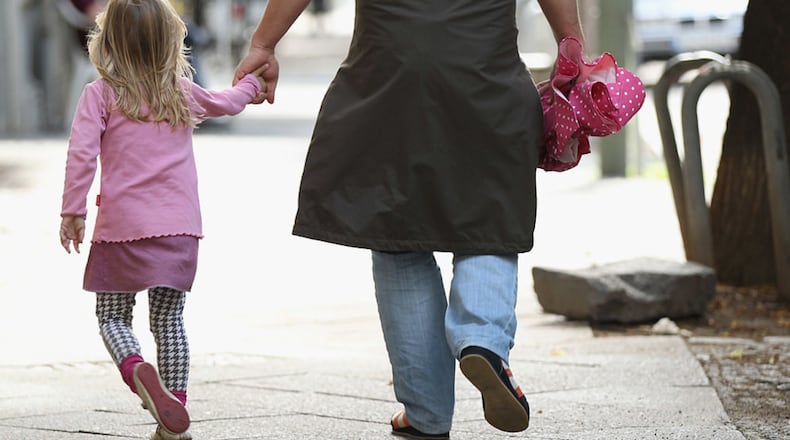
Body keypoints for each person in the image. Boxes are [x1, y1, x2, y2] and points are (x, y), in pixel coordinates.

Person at [235, 0, 583, 437]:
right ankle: (483, 339)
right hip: (487, 76)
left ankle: (427, 413)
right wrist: (573, 48)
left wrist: (263, 44)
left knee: (397, 233)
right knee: (489, 221)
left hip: (388, 77)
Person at [58, 1, 266, 439]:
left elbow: (81, 155)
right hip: (180, 229)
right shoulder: (180, 91)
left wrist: (73, 211)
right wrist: (252, 83)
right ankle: (175, 411)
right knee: (169, 321)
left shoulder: (101, 94)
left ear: (108, 42)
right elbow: (229, 103)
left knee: (113, 318)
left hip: (121, 230)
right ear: (171, 41)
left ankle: (136, 367)